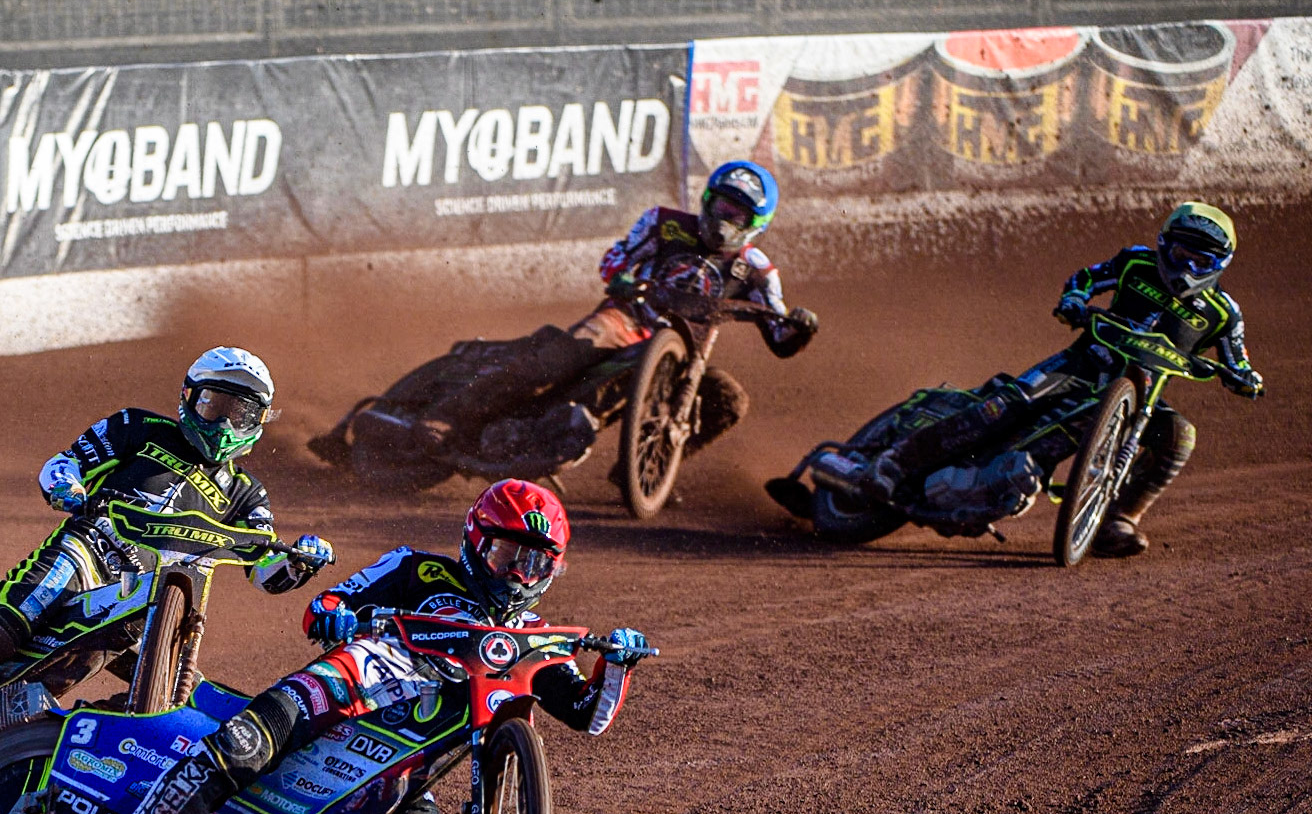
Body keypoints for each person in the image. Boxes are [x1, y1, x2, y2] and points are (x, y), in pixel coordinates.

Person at [84, 478, 654, 814]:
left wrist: (615, 663)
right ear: (477, 542)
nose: (519, 574)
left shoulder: (534, 640)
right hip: (352, 683)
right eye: (509, 556)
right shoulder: (417, 568)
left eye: (537, 562)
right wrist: (336, 616)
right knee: (246, 742)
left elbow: (587, 716)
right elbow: (328, 604)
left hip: (401, 771)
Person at [0, 346, 333, 762]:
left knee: (175, 705)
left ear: (259, 422)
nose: (222, 425)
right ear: (189, 398)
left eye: (238, 414)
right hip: (87, 553)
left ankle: (41, 752)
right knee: (0, 632)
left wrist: (300, 561)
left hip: (158, 603)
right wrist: (67, 486)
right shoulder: (139, 428)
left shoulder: (248, 495)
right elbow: (62, 465)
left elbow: (266, 572)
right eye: (214, 406)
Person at [325, 160, 818, 472]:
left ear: (754, 225)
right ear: (706, 201)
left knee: (728, 399)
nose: (722, 219)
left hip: (681, 354)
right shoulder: (665, 223)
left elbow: (779, 333)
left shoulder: (758, 270)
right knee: (552, 361)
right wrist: (623, 278)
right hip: (626, 319)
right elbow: (615, 257)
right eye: (719, 206)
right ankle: (443, 419)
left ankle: (643, 470)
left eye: (736, 214)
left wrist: (799, 328)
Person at [862, 202, 1263, 556]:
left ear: (1220, 265)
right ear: (1163, 244)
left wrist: (1245, 378)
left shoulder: (1224, 313)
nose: (1187, 267)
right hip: (1082, 363)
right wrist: (1073, 301)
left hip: (1143, 393)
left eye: (1201, 262)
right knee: (1008, 403)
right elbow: (1086, 279)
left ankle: (1119, 521)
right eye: (1180, 253)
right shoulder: (1135, 262)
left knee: (1179, 436)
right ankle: (898, 462)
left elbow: (1238, 360)